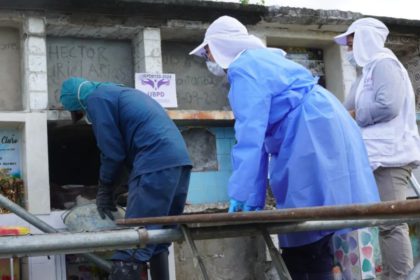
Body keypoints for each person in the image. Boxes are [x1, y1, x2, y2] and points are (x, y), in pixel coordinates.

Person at [190, 16, 380, 279]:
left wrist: (241, 194)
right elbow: (256, 142)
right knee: (331, 216)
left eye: (208, 51)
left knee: (307, 226)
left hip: (309, 132)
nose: (208, 59)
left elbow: (249, 138)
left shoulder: (243, 68)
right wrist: (251, 198)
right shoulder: (265, 60)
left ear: (221, 46)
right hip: (325, 121)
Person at [60, 77, 192, 280]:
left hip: (155, 163)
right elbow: (124, 152)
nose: (85, 116)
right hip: (179, 163)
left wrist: (104, 189)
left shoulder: (97, 99)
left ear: (78, 103)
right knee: (156, 239)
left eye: (81, 112)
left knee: (132, 242)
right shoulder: (119, 93)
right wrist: (117, 187)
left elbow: (112, 153)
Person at [334, 17, 420, 280]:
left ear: (365, 40)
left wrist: (354, 114)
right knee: (383, 223)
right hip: (375, 157)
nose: (348, 50)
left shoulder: (385, 63)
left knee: (392, 224)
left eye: (351, 43)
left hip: (391, 158)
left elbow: (388, 105)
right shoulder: (367, 71)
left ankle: (401, 277)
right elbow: (343, 109)